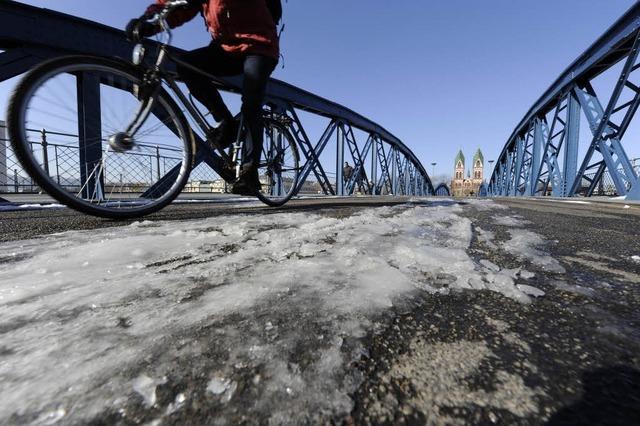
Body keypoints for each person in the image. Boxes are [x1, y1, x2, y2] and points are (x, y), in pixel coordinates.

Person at [126, 0, 281, 195]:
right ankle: (227, 123)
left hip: (260, 47)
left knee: (251, 103)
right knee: (187, 66)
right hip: (225, 49)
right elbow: (177, 10)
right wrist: (150, 22)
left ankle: (250, 172)